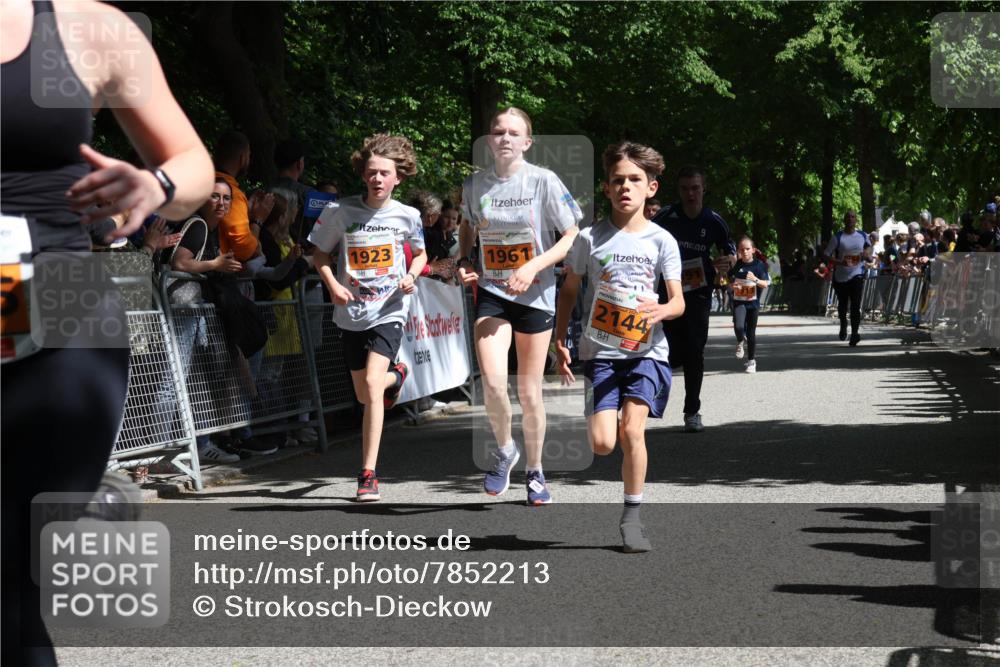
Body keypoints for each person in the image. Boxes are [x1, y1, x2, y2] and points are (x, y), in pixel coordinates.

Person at [1, 1, 214, 664]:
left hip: (51, 300)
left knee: (9, 577)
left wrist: (155, 185)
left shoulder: (83, 26)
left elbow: (192, 163)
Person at [554, 141, 683, 552]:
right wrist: (560, 339)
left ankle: (632, 519)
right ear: (606, 189)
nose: (625, 187)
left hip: (647, 351)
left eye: (634, 180)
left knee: (632, 431)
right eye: (617, 181)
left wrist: (660, 310)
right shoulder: (589, 239)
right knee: (603, 443)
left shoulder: (663, 240)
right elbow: (570, 291)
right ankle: (628, 507)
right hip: (600, 354)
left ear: (651, 188)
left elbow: (679, 301)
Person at [457, 106, 582, 504]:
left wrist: (534, 266)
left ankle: (535, 469)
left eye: (514, 133)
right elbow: (465, 227)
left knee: (529, 392)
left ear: (526, 142)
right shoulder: (474, 186)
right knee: (493, 382)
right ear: (489, 140)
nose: (505, 138)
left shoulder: (543, 180)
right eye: (498, 131)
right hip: (493, 292)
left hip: (535, 293)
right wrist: (463, 260)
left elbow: (570, 234)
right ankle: (505, 449)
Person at [308, 134, 426, 501]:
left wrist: (411, 274)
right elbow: (319, 255)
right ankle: (399, 374)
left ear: (398, 179)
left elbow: (421, 254)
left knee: (372, 387)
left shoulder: (409, 216)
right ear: (364, 175)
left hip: (389, 309)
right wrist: (331, 285)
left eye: (384, 174)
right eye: (372, 172)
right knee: (364, 392)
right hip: (351, 312)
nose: (377, 179)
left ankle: (367, 474)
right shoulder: (339, 212)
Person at [162, 178, 244, 463]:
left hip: (194, 312)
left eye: (226, 198)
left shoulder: (210, 229)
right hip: (181, 311)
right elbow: (180, 263)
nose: (221, 203)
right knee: (173, 380)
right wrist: (215, 264)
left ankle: (198, 445)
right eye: (214, 197)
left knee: (196, 380)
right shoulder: (197, 226)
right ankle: (158, 452)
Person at [652, 165, 736, 433]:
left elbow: (729, 249)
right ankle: (651, 394)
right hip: (668, 292)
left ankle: (692, 410)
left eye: (695, 188)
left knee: (695, 351)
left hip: (699, 293)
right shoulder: (666, 217)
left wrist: (729, 260)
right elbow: (644, 240)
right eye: (686, 188)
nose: (691, 194)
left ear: (703, 189)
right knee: (669, 350)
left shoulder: (713, 220)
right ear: (679, 191)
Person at [214, 129, 274, 262]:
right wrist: (258, 220)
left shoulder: (201, 182)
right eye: (249, 156)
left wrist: (246, 210)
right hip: (214, 275)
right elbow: (245, 250)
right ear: (242, 158)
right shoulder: (232, 195)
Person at [823, 210, 872, 346]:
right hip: (841, 276)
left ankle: (855, 333)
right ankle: (843, 325)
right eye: (848, 217)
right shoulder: (838, 237)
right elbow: (826, 254)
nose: (850, 219)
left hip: (857, 274)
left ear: (856, 220)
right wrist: (839, 262)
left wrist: (866, 254)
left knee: (856, 305)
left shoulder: (862, 235)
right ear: (844, 220)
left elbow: (868, 248)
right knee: (843, 305)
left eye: (853, 217)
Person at [728, 236, 770, 373]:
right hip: (740, 302)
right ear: (739, 251)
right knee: (739, 326)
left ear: (753, 250)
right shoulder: (738, 265)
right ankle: (740, 340)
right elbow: (728, 280)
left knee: (751, 333)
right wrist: (731, 284)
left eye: (747, 249)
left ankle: (751, 362)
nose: (745, 252)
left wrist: (755, 279)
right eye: (742, 249)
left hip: (753, 304)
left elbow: (765, 284)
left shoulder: (759, 265)